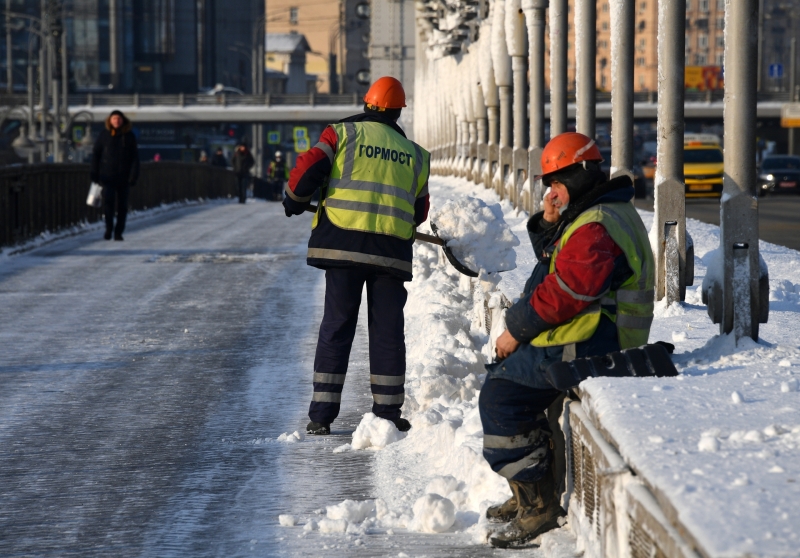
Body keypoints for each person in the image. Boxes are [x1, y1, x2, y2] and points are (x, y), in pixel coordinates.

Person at [480, 132, 655, 548]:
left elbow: (567, 291)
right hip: (586, 332)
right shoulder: (596, 212)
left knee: (502, 396)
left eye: (556, 182)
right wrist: (548, 224)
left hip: (599, 338)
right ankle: (526, 492)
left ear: (578, 175)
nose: (551, 191)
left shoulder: (598, 225)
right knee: (514, 383)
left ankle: (539, 504)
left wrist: (515, 331)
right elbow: (558, 260)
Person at [282, 76, 431, 436]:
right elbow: (419, 211)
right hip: (390, 253)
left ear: (367, 104)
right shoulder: (416, 154)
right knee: (387, 332)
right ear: (398, 112)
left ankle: (321, 415)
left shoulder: (341, 135)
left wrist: (295, 199)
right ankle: (387, 411)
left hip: (343, 243)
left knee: (337, 326)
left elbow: (307, 170)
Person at [91, 109, 140, 241]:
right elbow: (96, 154)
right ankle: (109, 228)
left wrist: (133, 175)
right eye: (114, 119)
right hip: (107, 177)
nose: (116, 121)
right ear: (110, 121)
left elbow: (135, 158)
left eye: (119, 119)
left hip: (124, 178)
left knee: (122, 207)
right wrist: (94, 173)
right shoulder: (104, 136)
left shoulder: (129, 136)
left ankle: (118, 232)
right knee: (108, 204)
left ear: (123, 120)